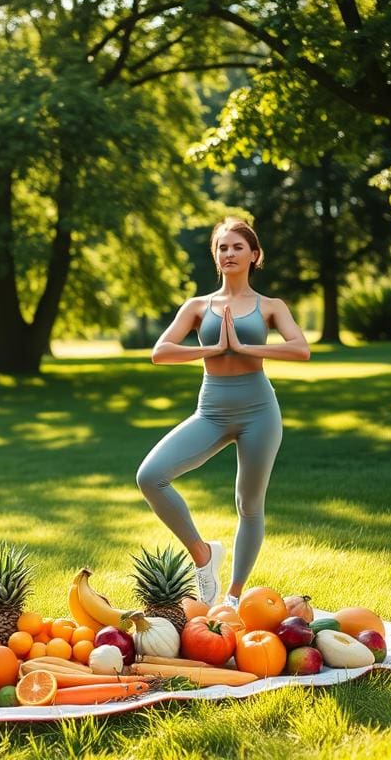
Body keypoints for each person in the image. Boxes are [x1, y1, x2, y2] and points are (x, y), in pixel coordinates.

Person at [136, 217, 310, 607]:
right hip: (211, 411)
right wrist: (213, 349)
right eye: (222, 247)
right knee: (150, 476)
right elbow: (160, 352)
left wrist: (246, 349)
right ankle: (203, 554)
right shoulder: (199, 306)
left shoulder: (270, 306)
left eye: (237, 247)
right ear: (216, 256)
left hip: (259, 413)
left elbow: (301, 349)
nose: (229, 253)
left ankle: (232, 596)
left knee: (249, 504)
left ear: (255, 255)